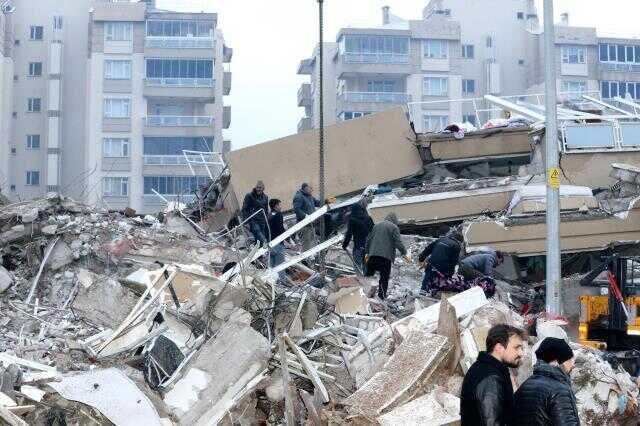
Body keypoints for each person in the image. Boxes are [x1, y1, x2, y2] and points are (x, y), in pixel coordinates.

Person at [460, 324, 525, 426]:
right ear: (499, 348)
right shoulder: (491, 378)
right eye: (517, 348)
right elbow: (491, 422)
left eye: (522, 348)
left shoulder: (482, 368)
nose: (521, 353)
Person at [514, 337, 580, 426]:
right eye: (569, 359)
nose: (573, 365)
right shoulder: (559, 390)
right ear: (556, 362)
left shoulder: (525, 386)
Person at [364, 212, 410, 300]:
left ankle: (364, 293)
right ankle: (381, 297)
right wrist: (404, 252)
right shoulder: (394, 227)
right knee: (384, 279)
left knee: (368, 276)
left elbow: (368, 239)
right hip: (385, 258)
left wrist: (367, 252)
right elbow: (398, 242)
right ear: (394, 220)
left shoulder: (376, 225)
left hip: (372, 255)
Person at [342, 200, 374, 274]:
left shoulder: (352, 220)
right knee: (366, 264)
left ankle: (360, 281)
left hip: (358, 247)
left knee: (357, 266)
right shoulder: (368, 218)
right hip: (368, 247)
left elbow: (349, 234)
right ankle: (367, 280)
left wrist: (344, 245)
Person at [292, 183, 322, 251]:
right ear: (305, 188)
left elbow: (317, 203)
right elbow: (296, 209)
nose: (312, 190)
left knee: (312, 242)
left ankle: (312, 257)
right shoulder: (299, 197)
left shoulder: (309, 196)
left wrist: (326, 201)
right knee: (306, 243)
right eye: (310, 188)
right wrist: (305, 216)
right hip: (304, 225)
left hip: (311, 224)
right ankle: (305, 259)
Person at [241, 181, 269, 246]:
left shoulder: (265, 197)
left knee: (258, 238)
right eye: (257, 187)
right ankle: (267, 247)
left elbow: (266, 210)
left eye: (260, 188)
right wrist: (246, 222)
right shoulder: (249, 196)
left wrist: (267, 220)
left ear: (263, 189)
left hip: (262, 220)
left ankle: (259, 253)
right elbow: (244, 209)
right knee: (260, 235)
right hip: (253, 220)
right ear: (255, 187)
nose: (258, 189)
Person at [268, 199, 286, 272]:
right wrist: (287, 238)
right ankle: (282, 281)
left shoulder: (269, 215)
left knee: (272, 266)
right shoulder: (278, 215)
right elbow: (280, 229)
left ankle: (272, 280)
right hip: (278, 243)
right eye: (279, 205)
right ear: (276, 206)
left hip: (271, 243)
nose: (280, 207)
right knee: (281, 266)